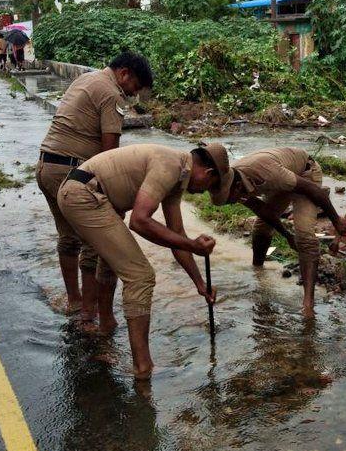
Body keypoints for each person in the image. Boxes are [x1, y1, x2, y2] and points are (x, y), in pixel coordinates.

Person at [57, 143, 229, 378]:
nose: (206, 192)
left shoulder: (178, 176)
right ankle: (143, 368)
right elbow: (139, 221)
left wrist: (200, 284)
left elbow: (177, 235)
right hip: (83, 195)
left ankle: (106, 327)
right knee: (140, 275)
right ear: (208, 174)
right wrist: (193, 246)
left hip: (88, 194)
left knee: (115, 260)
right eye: (211, 186)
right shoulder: (170, 165)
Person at [36, 50, 153, 327]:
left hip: (46, 167)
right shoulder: (111, 94)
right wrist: (111, 197)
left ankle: (74, 301)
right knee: (93, 243)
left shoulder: (86, 79)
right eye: (134, 89)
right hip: (70, 171)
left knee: (68, 237)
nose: (132, 96)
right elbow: (109, 156)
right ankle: (89, 315)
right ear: (124, 74)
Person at [212, 147, 346, 319]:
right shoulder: (233, 183)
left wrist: (336, 220)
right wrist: (287, 236)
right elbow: (264, 212)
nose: (233, 204)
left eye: (231, 200)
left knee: (305, 235)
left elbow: (313, 190)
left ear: (238, 187)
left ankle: (308, 305)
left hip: (306, 175)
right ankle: (257, 270)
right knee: (262, 226)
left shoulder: (266, 173)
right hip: (283, 181)